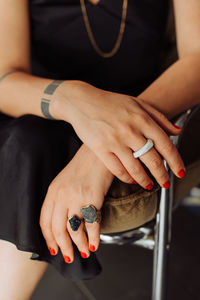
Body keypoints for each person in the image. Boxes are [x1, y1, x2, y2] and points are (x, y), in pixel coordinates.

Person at [0, 0, 200, 298]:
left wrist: (103, 147)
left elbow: (197, 58)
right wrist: (74, 99)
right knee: (27, 139)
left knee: (29, 143)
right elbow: (6, 78)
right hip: (40, 107)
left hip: (136, 103)